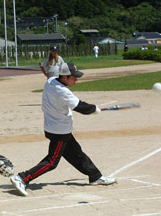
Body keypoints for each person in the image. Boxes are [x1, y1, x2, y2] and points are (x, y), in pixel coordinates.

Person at [10, 63, 116, 196]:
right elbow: (80, 107)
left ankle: (95, 176)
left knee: (77, 154)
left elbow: (52, 75)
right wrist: (94, 109)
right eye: (74, 77)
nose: (76, 80)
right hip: (59, 131)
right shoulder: (62, 91)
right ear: (65, 78)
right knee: (51, 162)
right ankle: (23, 177)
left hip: (54, 128)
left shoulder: (50, 81)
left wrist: (92, 108)